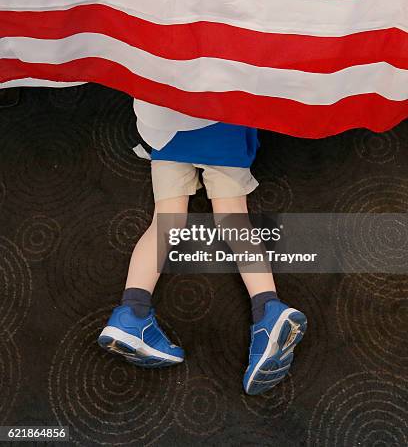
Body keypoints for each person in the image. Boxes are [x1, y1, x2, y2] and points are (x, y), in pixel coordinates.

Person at [98, 102, 307, 395]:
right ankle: (267, 309)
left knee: (165, 222)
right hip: (224, 125)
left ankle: (132, 311)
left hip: (167, 127)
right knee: (233, 220)